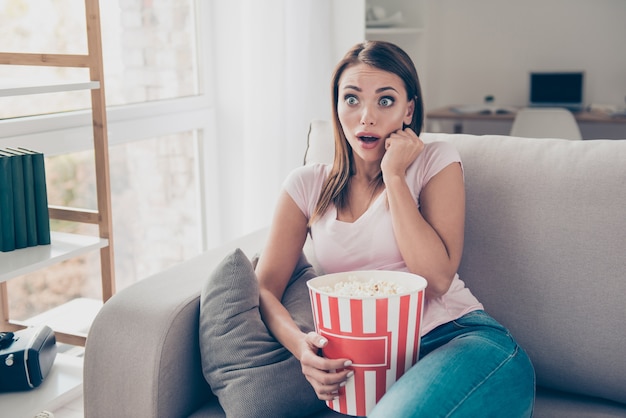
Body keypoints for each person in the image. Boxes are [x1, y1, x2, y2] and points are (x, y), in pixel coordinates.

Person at [255, 40, 535, 417]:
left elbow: (435, 278)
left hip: (460, 339)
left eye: (385, 101)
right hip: (372, 360)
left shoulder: (436, 162)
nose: (366, 117)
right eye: (351, 99)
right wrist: (302, 347)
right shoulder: (307, 185)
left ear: (409, 110)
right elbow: (264, 288)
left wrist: (395, 176)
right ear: (337, 106)